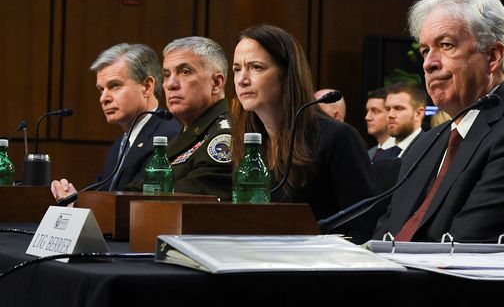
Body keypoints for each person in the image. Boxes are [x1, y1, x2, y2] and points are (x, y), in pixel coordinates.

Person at [373, 0, 504, 257]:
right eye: (425, 50)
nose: (428, 63)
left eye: (446, 45)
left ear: (493, 56)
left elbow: (465, 249)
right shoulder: (426, 143)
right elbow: (386, 233)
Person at [232, 24, 375, 243]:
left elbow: (363, 229)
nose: (242, 79)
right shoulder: (247, 141)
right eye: (236, 69)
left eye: (256, 67)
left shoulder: (337, 137)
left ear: (287, 74)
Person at [49, 43, 181, 199]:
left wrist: (76, 204)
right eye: (101, 89)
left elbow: (135, 201)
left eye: (115, 85)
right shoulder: (119, 145)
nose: (103, 98)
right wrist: (73, 198)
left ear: (147, 86)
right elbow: (104, 196)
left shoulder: (167, 138)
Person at [153, 36, 233, 199]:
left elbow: (195, 194)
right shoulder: (184, 132)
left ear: (216, 83)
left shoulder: (224, 136)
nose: (170, 84)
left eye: (185, 71)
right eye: (167, 74)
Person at [384, 82, 425, 158]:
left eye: (398, 108)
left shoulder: (429, 150)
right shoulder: (381, 153)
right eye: (387, 109)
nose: (390, 115)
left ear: (418, 113)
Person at [364, 87, 394, 161]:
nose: (367, 117)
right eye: (367, 111)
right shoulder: (368, 154)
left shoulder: (406, 152)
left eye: (375, 111)